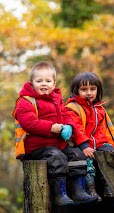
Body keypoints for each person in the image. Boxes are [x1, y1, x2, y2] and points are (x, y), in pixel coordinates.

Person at [13, 61, 97, 206]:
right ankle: (60, 194)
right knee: (56, 157)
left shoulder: (57, 100)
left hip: (57, 144)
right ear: (31, 83)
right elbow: (30, 123)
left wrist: (70, 126)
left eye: (48, 81)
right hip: (36, 147)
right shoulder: (25, 101)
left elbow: (66, 116)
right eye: (39, 81)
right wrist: (53, 127)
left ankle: (78, 191)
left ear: (54, 83)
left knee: (77, 154)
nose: (44, 84)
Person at [65, 72, 114, 201]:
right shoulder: (73, 108)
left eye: (93, 89)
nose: (89, 92)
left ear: (98, 90)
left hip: (96, 144)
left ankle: (109, 185)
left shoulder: (98, 109)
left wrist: (105, 145)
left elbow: (100, 131)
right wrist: (85, 146)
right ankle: (91, 189)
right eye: (84, 89)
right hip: (80, 145)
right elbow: (77, 130)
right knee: (88, 163)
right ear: (76, 91)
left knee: (108, 152)